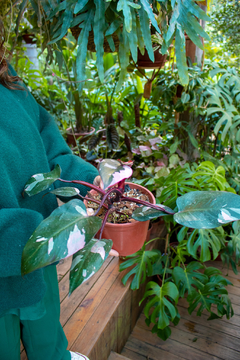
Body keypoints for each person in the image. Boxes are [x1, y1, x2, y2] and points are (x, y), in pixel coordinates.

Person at [0, 19, 117, 360]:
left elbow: (52, 153)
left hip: (39, 261)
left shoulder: (10, 84)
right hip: (28, 249)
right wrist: (43, 232)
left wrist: (87, 183)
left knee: (48, 338)